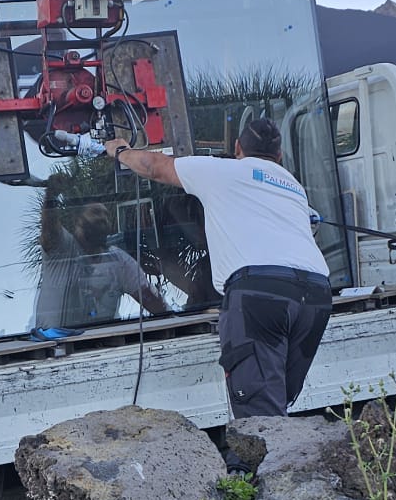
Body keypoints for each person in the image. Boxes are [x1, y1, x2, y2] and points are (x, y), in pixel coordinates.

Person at [103, 113, 331, 417]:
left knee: (260, 414)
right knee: (278, 403)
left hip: (261, 296)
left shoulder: (222, 170)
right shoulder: (292, 186)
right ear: (279, 156)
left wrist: (120, 150)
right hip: (316, 296)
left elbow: (154, 166)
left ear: (237, 148)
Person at [32, 197, 169, 331]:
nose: (103, 218)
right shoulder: (62, 248)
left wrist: (172, 319)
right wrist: (51, 194)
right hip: (51, 342)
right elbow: (49, 226)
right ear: (77, 219)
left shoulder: (118, 260)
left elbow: (151, 300)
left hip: (104, 342)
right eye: (96, 212)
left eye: (106, 215)